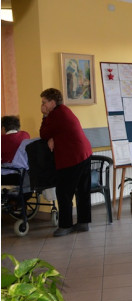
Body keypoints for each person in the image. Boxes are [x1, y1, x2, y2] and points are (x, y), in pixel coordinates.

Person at [39, 88, 92, 237]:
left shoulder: (55, 115)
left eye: (44, 103)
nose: (42, 106)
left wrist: (44, 116)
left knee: (63, 192)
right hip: (84, 153)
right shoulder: (64, 111)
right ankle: (83, 223)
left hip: (72, 157)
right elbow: (56, 132)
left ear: (52, 102)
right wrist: (53, 137)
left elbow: (44, 133)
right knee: (82, 190)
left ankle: (65, 226)